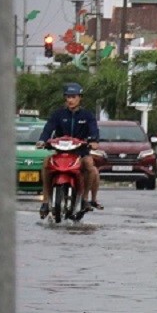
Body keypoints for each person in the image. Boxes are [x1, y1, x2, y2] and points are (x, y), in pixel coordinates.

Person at [37, 83, 101, 218]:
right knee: (46, 163)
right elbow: (48, 128)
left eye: (73, 97)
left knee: (90, 166)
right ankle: (45, 201)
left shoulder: (87, 115)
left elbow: (94, 130)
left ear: (80, 98)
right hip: (61, 153)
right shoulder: (58, 114)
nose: (70, 100)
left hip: (81, 152)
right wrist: (43, 140)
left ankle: (84, 199)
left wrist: (93, 141)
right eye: (68, 97)